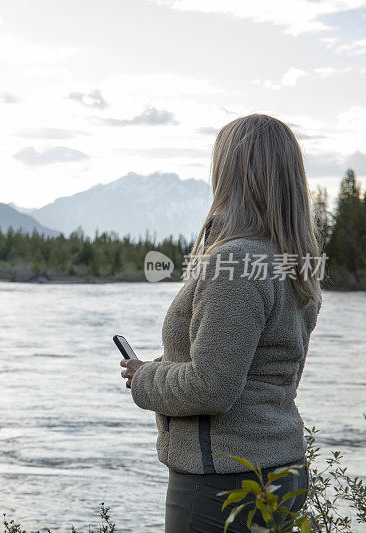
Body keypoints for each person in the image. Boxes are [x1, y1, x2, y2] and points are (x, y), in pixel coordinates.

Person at [119, 114, 322, 532]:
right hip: (280, 468)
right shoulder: (288, 261)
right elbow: (255, 364)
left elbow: (212, 387)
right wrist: (171, 363)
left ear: (233, 173)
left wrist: (145, 377)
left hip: (223, 484)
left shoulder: (236, 261)